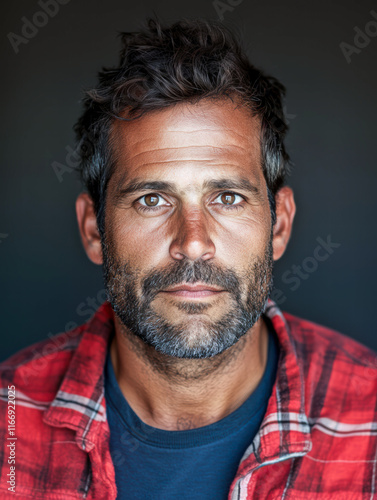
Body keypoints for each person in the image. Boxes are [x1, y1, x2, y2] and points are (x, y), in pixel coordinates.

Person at [0, 18, 376, 500]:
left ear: (279, 225)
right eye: (152, 200)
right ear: (94, 229)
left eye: (228, 197)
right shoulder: (10, 411)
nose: (193, 242)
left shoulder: (370, 414)